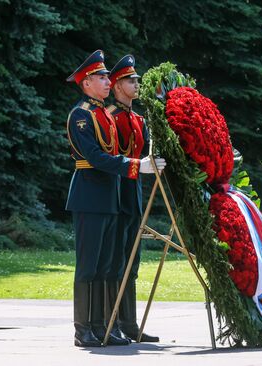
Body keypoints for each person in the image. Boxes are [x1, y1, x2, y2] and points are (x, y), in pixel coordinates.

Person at [66, 50, 166, 347]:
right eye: (101, 77)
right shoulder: (81, 115)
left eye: (108, 77)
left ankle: (101, 327)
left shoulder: (101, 114)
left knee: (106, 266)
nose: (108, 81)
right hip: (90, 193)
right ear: (86, 83)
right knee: (88, 265)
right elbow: (96, 157)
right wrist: (137, 166)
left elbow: (113, 154)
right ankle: (83, 328)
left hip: (108, 194)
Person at [106, 55, 158, 342]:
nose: (136, 84)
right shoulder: (109, 118)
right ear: (116, 86)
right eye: (130, 80)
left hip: (133, 193)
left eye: (136, 79)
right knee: (115, 260)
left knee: (131, 259)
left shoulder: (137, 119)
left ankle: (129, 323)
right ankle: (111, 323)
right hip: (115, 193)